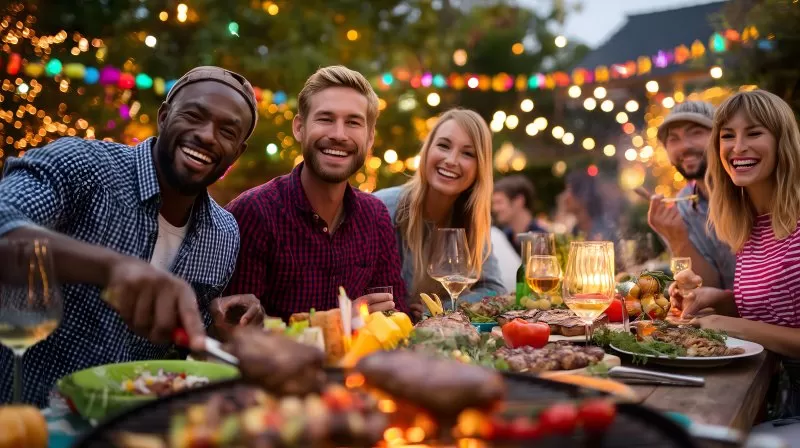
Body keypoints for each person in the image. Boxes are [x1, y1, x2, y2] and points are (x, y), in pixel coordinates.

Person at [0, 66, 264, 406]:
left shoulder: (224, 235)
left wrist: (219, 331)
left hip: (125, 429)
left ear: (237, 152)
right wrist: (112, 268)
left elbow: (176, 355)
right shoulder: (83, 166)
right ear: (165, 116)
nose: (208, 136)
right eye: (193, 116)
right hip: (23, 420)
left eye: (227, 131)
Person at [224, 66, 407, 321]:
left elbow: (394, 317)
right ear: (299, 128)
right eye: (326, 119)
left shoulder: (375, 216)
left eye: (353, 122)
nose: (338, 135)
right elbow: (236, 333)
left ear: (370, 138)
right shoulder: (254, 213)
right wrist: (342, 320)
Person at [671, 90, 800, 424]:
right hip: (780, 399)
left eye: (754, 133)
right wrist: (719, 300)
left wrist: (729, 324)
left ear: (782, 141)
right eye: (727, 136)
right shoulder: (751, 223)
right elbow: (782, 307)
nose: (738, 147)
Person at [373, 108, 505, 315]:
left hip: (443, 339)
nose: (451, 160)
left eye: (467, 153)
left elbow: (494, 291)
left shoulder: (472, 218)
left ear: (480, 167)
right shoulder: (382, 208)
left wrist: (440, 310)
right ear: (427, 150)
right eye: (443, 146)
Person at [644, 101, 735, 289]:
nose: (684, 146)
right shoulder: (682, 206)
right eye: (674, 139)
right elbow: (700, 290)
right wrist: (678, 240)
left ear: (721, 138)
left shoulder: (750, 189)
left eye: (696, 133)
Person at [492, 174, 546, 254]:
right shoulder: (504, 236)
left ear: (519, 201)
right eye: (493, 203)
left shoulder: (542, 239)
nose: (494, 208)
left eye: (499, 202)